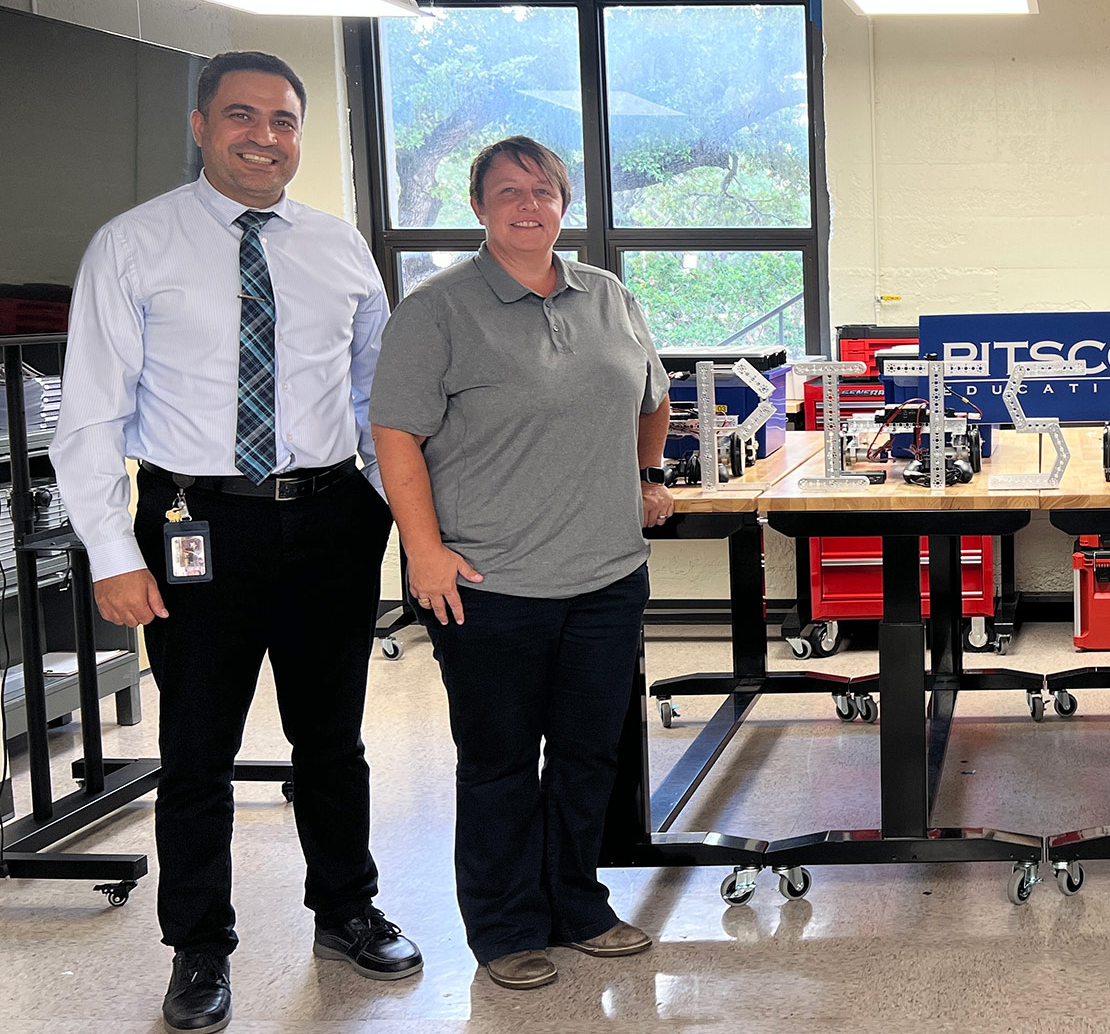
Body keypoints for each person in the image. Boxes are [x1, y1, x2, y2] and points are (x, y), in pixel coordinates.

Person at [51, 51, 422, 1034]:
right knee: (198, 747)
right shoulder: (133, 244)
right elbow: (87, 416)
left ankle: (346, 907)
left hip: (331, 513)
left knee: (333, 740)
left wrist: (408, 525)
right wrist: (112, 555)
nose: (265, 136)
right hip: (193, 521)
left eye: (285, 119)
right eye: (242, 116)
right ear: (200, 123)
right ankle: (201, 948)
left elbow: (373, 401)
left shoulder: (339, 247)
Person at [370, 136, 675, 991]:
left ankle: (577, 904)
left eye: (542, 190)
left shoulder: (608, 296)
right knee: (501, 762)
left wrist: (647, 475)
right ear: (479, 207)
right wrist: (422, 552)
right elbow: (396, 436)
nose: (527, 205)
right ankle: (504, 929)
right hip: (490, 585)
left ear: (563, 203)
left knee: (589, 756)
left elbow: (651, 396)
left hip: (607, 577)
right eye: (507, 192)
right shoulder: (438, 311)